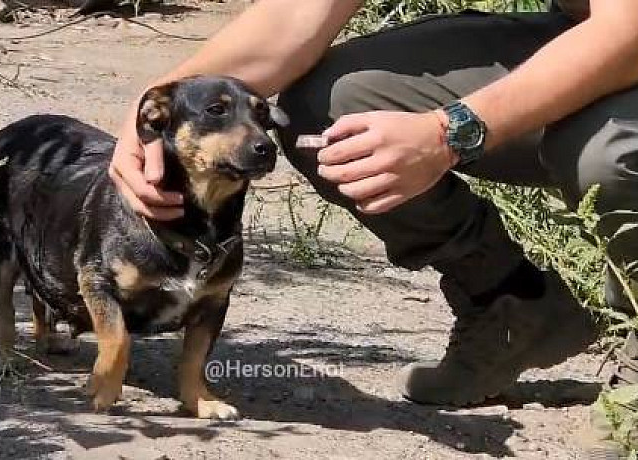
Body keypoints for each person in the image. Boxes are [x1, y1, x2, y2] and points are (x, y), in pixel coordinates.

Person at [109, 0, 638, 411]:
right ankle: (514, 303)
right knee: (329, 108)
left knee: (604, 153)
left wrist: (449, 130)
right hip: (591, 33)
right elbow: (296, 17)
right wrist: (151, 109)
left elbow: (629, 31)